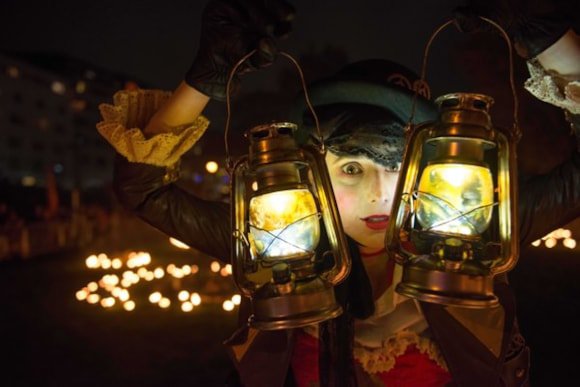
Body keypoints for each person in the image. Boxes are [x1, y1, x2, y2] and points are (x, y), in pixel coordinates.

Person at [96, 0, 580, 385]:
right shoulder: (275, 243)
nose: (381, 194)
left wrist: (554, 45)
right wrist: (205, 80)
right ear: (311, 169)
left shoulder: (476, 237)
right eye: (352, 167)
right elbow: (143, 190)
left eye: (401, 166)